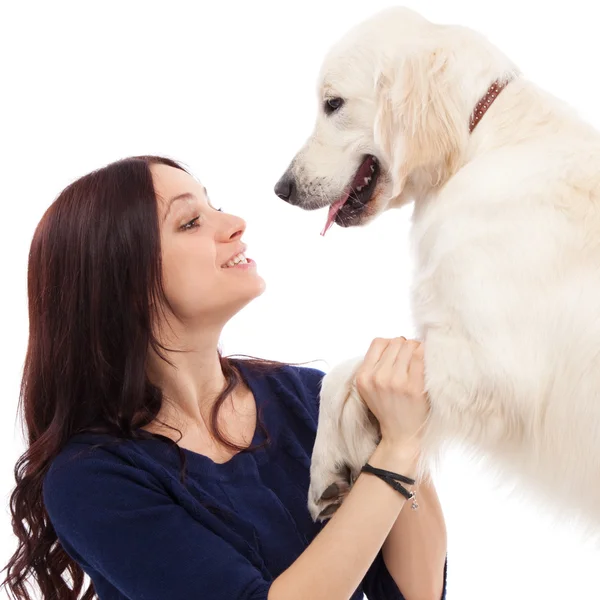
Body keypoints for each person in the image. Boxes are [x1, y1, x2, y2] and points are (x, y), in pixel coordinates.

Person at [2, 156, 447, 600]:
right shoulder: (91, 480)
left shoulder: (306, 398)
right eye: (191, 221)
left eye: (213, 207)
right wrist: (394, 452)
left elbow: (416, 595)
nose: (235, 223)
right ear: (126, 280)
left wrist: (404, 436)